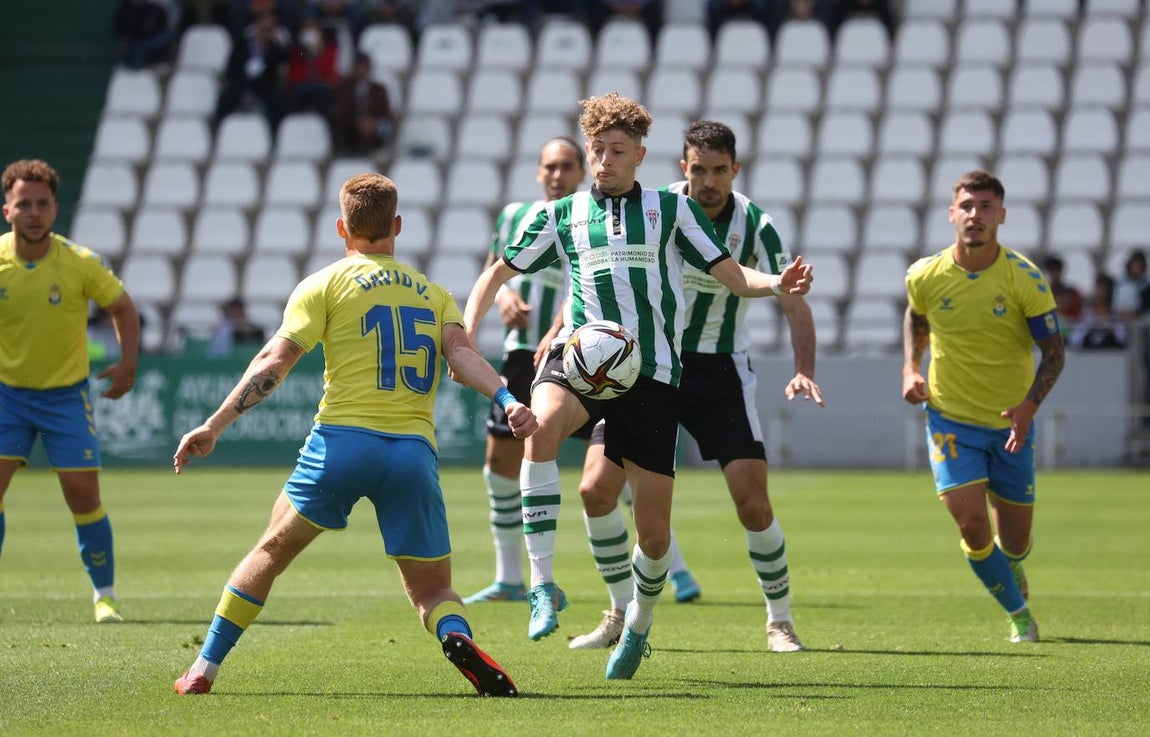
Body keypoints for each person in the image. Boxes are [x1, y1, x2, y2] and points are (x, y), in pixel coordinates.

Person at [463, 92, 813, 680]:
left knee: (653, 535)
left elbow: (733, 275)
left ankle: (639, 625)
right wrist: (465, 334)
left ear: (641, 156)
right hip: (583, 363)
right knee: (540, 431)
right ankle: (543, 585)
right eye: (597, 149)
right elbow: (497, 270)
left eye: (617, 150)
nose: (604, 160)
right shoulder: (561, 214)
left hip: (651, 375)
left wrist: (778, 280)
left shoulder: (671, 213)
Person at [171, 172, 535, 697]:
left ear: (342, 226)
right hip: (411, 453)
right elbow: (461, 355)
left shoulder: (323, 284)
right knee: (434, 590)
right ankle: (457, 635)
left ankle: (203, 669)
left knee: (270, 552)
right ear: (398, 226)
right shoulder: (433, 294)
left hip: (341, 444)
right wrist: (507, 399)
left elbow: (275, 361)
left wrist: (215, 423)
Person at [567, 120, 824, 653]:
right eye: (699, 169)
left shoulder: (756, 224)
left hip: (719, 370)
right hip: (647, 365)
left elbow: (792, 300)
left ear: (736, 169)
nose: (709, 181)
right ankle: (618, 612)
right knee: (594, 490)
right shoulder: (654, 208)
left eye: (720, 170)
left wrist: (804, 367)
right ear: (683, 167)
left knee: (752, 503)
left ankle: (780, 620)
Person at [461, 137, 704, 608]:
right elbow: (496, 269)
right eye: (549, 166)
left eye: (567, 165)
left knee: (616, 468)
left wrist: (562, 330)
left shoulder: (604, 219)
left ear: (580, 170)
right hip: (526, 352)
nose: (557, 174)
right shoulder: (518, 216)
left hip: (595, 352)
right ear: (538, 172)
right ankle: (514, 575)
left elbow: (594, 285)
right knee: (505, 460)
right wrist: (505, 301)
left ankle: (671, 565)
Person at [902, 170, 1065, 644]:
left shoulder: (1025, 279)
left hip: (1011, 421)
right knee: (972, 524)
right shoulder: (925, 275)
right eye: (967, 206)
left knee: (1014, 540)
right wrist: (910, 368)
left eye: (986, 206)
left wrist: (1030, 406)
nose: (975, 215)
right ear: (952, 213)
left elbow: (1054, 351)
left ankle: (1010, 564)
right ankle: (1020, 618)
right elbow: (917, 317)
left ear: (1002, 215)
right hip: (950, 417)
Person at [0, 159, 140, 623]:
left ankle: (105, 595)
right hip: (7, 396)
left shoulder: (79, 262)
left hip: (65, 396)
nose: (34, 212)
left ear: (55, 208)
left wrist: (127, 363)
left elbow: (122, 306)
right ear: (8, 210)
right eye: (25, 204)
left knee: (83, 494)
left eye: (42, 204)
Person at [330, 52, 395, 156]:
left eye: (365, 68)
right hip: (351, 128)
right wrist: (358, 122)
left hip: (373, 128)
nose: (362, 71)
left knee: (384, 127)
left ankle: (374, 148)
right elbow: (342, 109)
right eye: (360, 68)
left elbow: (386, 114)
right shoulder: (344, 88)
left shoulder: (379, 90)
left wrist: (374, 123)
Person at [1070, 273, 1126, 350]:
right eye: (1097, 288)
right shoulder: (1087, 314)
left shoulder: (1115, 316)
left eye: (1103, 289)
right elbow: (1075, 340)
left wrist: (1109, 330)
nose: (1099, 292)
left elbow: (1122, 339)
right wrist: (1092, 326)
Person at [1041, 254, 1084, 325]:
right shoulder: (1044, 293)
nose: (1054, 274)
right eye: (1051, 270)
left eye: (1057, 270)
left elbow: (1077, 316)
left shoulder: (1072, 293)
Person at [1113, 249, 1148, 321]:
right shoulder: (1121, 284)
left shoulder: (1146, 286)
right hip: (1122, 320)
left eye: (1139, 265)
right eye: (1135, 265)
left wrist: (1135, 313)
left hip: (1140, 321)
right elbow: (1116, 304)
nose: (1136, 268)